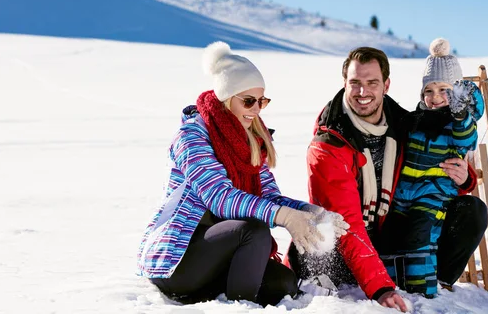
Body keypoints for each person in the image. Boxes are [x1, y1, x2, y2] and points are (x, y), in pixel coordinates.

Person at [136, 41, 349, 306]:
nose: (257, 109)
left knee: (283, 283)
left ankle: (227, 295)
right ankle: (239, 308)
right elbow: (220, 198)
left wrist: (310, 213)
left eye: (262, 101)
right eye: (249, 101)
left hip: (220, 255)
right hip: (180, 259)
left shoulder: (251, 140)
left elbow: (270, 198)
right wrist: (285, 217)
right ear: (227, 97)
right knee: (254, 231)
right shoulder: (192, 136)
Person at [285, 45, 488, 311]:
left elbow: (427, 164)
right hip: (342, 245)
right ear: (344, 83)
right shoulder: (328, 146)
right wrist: (380, 288)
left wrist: (464, 179)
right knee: (328, 236)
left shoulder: (401, 122)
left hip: (385, 233)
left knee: (471, 212)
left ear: (386, 85)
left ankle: (429, 285)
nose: (363, 92)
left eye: (372, 82)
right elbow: (347, 224)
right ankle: (369, 284)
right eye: (355, 82)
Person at [379, 38, 485, 298]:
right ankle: (392, 288)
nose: (435, 97)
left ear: (457, 95)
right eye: (429, 90)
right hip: (402, 194)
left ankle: (422, 293)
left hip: (433, 194)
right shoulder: (414, 120)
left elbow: (467, 138)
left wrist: (460, 115)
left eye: (444, 90)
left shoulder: (456, 123)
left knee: (421, 236)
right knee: (391, 236)